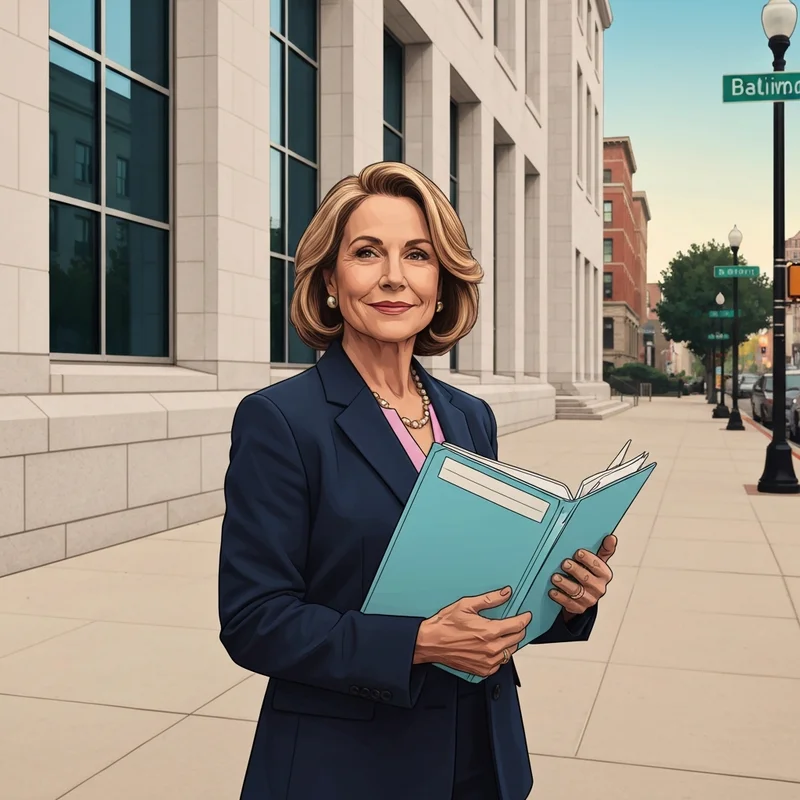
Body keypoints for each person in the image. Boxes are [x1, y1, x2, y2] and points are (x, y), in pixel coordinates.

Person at [218, 162, 617, 800]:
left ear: (441, 281)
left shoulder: (469, 416)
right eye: (366, 253)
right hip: (347, 766)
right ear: (328, 280)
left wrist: (566, 596)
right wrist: (419, 642)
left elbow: (489, 584)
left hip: (480, 755)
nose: (393, 277)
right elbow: (253, 619)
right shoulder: (280, 421)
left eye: (418, 255)